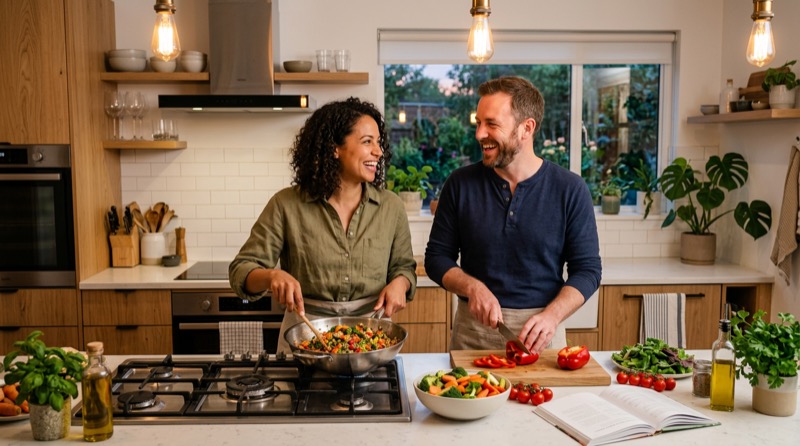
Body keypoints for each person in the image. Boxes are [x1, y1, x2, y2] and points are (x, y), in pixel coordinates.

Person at [424, 76, 601, 354]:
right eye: (478, 123)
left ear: (526, 128)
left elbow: (588, 270)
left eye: (491, 124)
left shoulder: (570, 189)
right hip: (473, 336)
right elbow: (436, 258)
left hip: (542, 337)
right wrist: (473, 288)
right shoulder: (459, 184)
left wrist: (552, 316)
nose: (479, 134)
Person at [229, 97, 417, 354]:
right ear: (334, 148)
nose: (379, 151)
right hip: (305, 338)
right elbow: (241, 271)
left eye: (378, 142)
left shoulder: (391, 207)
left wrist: (401, 283)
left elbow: (404, 268)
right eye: (367, 142)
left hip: (372, 340)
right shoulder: (286, 204)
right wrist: (271, 276)